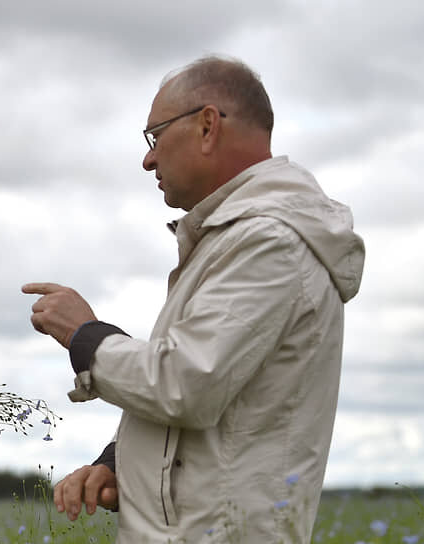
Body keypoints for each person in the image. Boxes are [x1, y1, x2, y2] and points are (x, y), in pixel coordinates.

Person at [23, 56, 365, 542]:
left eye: (154, 136)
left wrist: (85, 336)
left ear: (207, 126)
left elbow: (186, 383)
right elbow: (225, 398)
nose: (148, 159)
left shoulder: (270, 242)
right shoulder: (236, 239)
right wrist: (120, 461)